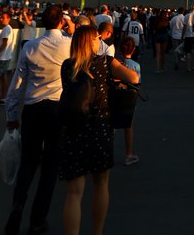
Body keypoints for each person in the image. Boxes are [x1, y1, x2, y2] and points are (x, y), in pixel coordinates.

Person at [59, 25, 140, 235]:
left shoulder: (68, 66)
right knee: (101, 184)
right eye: (96, 38)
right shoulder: (105, 62)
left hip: (74, 129)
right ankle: (97, 231)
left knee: (74, 193)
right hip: (100, 127)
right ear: (91, 42)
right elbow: (133, 78)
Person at [5, 4, 70, 235]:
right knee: (50, 167)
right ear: (61, 21)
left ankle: (17, 204)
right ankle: (37, 220)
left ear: (42, 22)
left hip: (32, 109)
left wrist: (11, 114)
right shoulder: (69, 45)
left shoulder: (30, 47)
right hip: (57, 108)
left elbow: (17, 84)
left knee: (29, 161)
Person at [111, 36, 141, 165]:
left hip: (115, 96)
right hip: (130, 97)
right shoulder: (135, 65)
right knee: (128, 125)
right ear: (133, 49)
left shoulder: (115, 63)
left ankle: (107, 151)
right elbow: (138, 82)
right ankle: (128, 153)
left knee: (111, 125)